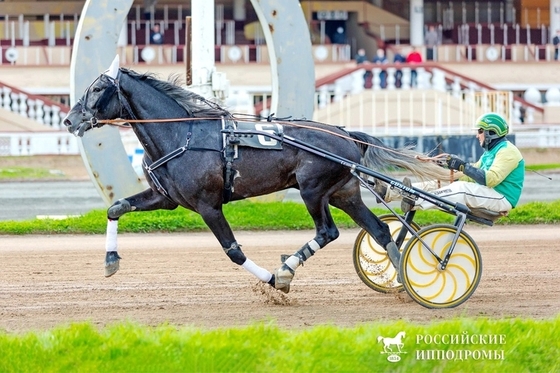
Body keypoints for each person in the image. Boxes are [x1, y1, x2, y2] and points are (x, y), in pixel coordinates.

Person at [374, 113, 525, 215]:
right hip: (489, 192)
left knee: (460, 189)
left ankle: (415, 201)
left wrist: (462, 166)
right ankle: (389, 192)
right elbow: (473, 173)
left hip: (502, 198)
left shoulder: (508, 151)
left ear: (491, 132)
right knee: (441, 183)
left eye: (480, 131)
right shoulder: (490, 152)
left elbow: (489, 179)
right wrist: (450, 169)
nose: (477, 135)